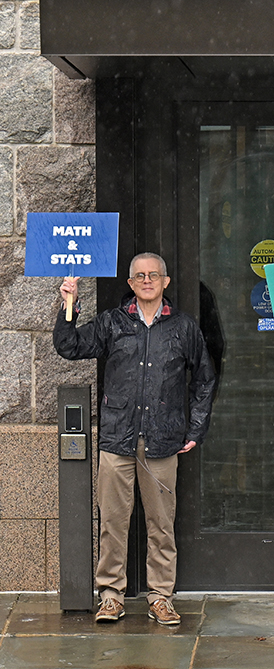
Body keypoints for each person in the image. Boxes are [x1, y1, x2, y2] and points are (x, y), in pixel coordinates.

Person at [53, 253, 216, 626]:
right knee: (113, 522)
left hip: (162, 442)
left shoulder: (184, 328)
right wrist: (69, 303)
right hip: (117, 440)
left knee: (161, 525)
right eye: (139, 276)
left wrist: (196, 428)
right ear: (130, 283)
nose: (146, 280)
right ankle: (111, 595)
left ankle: (161, 596)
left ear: (165, 281)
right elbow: (69, 346)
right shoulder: (113, 322)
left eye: (153, 275)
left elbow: (205, 379)